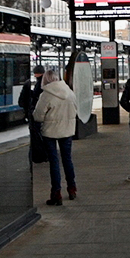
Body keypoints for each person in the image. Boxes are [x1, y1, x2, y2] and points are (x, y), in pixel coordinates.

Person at [33, 69, 78, 205]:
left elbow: (38, 116)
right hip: (67, 131)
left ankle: (56, 194)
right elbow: (75, 109)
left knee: (54, 162)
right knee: (67, 160)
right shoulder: (69, 92)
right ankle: (72, 189)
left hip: (50, 132)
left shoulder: (46, 95)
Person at [18, 65, 46, 163]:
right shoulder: (44, 83)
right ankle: (42, 155)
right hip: (43, 115)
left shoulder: (38, 84)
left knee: (36, 136)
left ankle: (38, 156)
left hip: (36, 115)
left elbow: (23, 102)